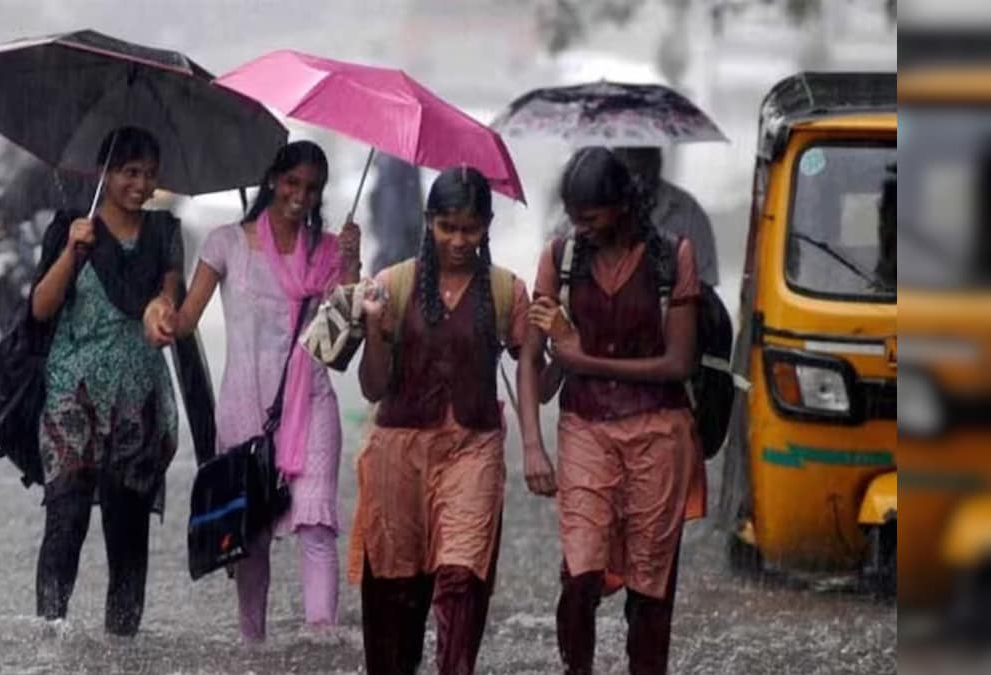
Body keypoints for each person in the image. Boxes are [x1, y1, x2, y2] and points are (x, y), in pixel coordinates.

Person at [517, 147, 707, 675]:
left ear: (623, 205)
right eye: (574, 217)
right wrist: (532, 445)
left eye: (592, 218)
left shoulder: (673, 257)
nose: (582, 229)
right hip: (585, 427)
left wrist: (585, 358)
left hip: (659, 430)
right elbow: (532, 358)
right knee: (580, 573)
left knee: (651, 581)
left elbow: (678, 363)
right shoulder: (561, 258)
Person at [163, 140, 361, 642]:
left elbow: (341, 347)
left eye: (312, 188)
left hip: (311, 404)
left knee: (316, 526)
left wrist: (353, 269)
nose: (300, 196)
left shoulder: (331, 252)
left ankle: (321, 640)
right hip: (243, 408)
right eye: (292, 183)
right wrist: (160, 307)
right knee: (249, 539)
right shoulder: (225, 243)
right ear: (273, 180)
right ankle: (254, 649)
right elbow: (185, 321)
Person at [349, 166, 529, 675]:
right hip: (398, 452)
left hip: (472, 448)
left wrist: (559, 343)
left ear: (487, 227)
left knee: (461, 579)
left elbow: (534, 371)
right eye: (447, 227)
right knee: (393, 590)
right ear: (428, 222)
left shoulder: (505, 291)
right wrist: (378, 331)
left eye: (469, 229)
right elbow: (372, 387)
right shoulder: (393, 284)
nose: (457, 240)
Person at [29, 126, 185, 636]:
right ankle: (50, 638)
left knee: (128, 532)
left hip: (137, 402)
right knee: (65, 519)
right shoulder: (72, 230)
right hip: (72, 399)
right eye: (129, 172)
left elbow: (169, 302)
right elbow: (40, 307)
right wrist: (72, 253)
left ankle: (123, 650)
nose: (140, 185)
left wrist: (162, 314)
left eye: (149, 175)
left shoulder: (164, 234)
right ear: (105, 173)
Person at [615, 146, 720, 286]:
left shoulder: (688, 210)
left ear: (658, 159)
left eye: (644, 154)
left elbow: (705, 285)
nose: (637, 178)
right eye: (627, 155)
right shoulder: (594, 207)